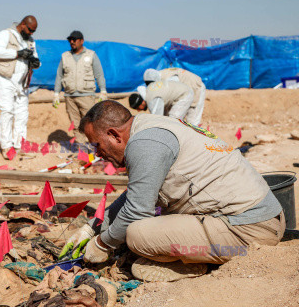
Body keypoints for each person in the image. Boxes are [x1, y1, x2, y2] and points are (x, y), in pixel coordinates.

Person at [60, 100, 285, 282]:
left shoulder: (145, 144)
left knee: (138, 234)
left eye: (97, 144)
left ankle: (195, 265)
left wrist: (102, 244)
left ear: (114, 135)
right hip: (261, 218)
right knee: (136, 231)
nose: (97, 154)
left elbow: (137, 212)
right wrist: (92, 229)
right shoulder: (149, 126)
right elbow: (138, 194)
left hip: (248, 231)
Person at [0, 15, 41, 159]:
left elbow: (35, 56)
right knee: (7, 111)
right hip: (4, 79)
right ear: (23, 24)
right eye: (30, 30)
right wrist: (17, 53)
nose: (31, 33)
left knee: (22, 113)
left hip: (22, 82)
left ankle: (20, 145)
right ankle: (6, 147)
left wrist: (36, 62)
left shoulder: (30, 41)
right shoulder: (5, 34)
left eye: (34, 31)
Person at [53, 31, 107, 144]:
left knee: (90, 124)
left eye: (74, 40)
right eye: (70, 40)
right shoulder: (65, 56)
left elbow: (99, 74)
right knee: (76, 125)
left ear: (81, 41)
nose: (72, 42)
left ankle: (93, 152)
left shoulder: (91, 55)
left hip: (86, 95)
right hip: (70, 96)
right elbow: (59, 75)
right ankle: (82, 153)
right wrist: (56, 93)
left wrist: (103, 90)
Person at [141, 68, 206, 125]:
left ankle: (195, 137)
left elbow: (176, 91)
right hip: (187, 90)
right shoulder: (161, 74)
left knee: (192, 121)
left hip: (196, 87)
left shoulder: (168, 79)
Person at [130, 70, 196, 124]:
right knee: (167, 117)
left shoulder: (152, 99)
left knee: (173, 122)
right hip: (183, 91)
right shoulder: (150, 89)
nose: (138, 110)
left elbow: (157, 119)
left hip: (185, 95)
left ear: (142, 103)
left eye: (137, 108)